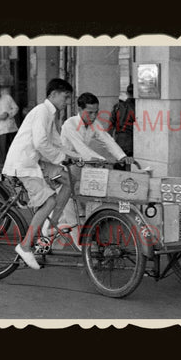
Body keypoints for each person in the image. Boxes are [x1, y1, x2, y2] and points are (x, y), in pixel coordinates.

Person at [2, 78, 77, 269]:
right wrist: (62, 158)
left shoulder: (51, 113)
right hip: (25, 162)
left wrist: (78, 156)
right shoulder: (43, 112)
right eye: (65, 97)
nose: (67, 102)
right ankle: (25, 246)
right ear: (53, 95)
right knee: (49, 201)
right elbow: (41, 143)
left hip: (37, 161)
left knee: (69, 180)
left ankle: (50, 225)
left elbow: (57, 143)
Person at [59, 92, 134, 247]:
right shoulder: (69, 124)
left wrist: (122, 157)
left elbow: (107, 140)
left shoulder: (94, 124)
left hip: (82, 168)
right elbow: (81, 149)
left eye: (96, 113)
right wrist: (102, 160)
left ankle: (52, 237)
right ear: (79, 109)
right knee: (71, 209)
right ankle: (81, 246)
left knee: (79, 206)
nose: (93, 117)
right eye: (90, 113)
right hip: (66, 169)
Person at [108, 83, 135, 170]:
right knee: (131, 165)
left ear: (127, 93)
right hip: (132, 141)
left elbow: (110, 126)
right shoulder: (137, 107)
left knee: (120, 164)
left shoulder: (117, 107)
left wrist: (110, 141)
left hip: (119, 140)